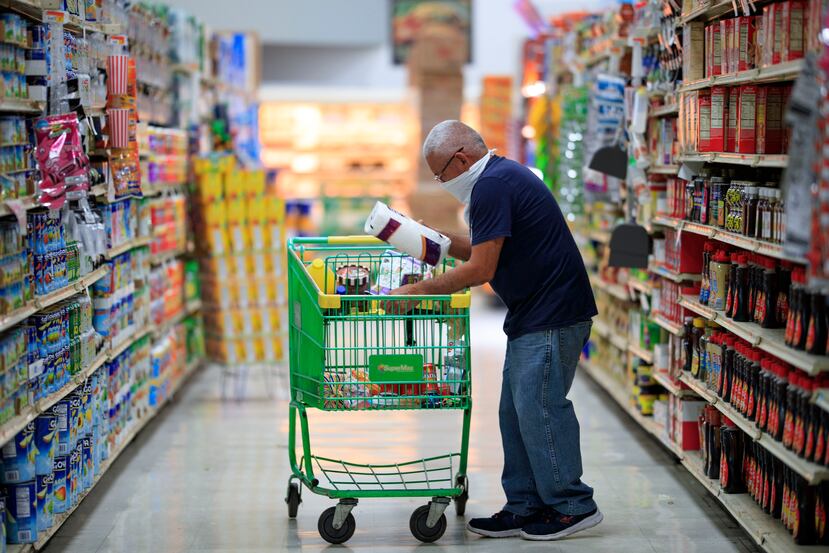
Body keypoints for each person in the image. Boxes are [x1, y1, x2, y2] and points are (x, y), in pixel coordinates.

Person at [389, 121, 602, 541]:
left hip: (553, 312)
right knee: (515, 411)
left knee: (539, 408)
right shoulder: (498, 178)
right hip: (535, 312)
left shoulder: (492, 186)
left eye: (440, 173)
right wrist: (429, 239)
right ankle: (524, 504)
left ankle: (572, 505)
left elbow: (481, 270)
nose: (441, 182)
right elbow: (482, 248)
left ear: (461, 159)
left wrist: (418, 290)